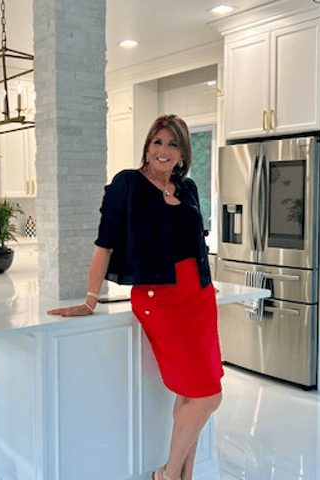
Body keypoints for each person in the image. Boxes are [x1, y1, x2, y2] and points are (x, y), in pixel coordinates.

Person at [47, 114, 222, 480]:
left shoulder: (187, 189)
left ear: (182, 153)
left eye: (172, 144)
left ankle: (183, 476)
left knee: (193, 394)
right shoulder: (127, 185)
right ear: (147, 145)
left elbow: (195, 244)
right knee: (209, 396)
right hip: (161, 300)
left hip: (199, 298)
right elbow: (104, 245)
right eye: (157, 142)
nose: (163, 151)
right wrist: (90, 299)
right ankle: (168, 473)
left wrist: (206, 282)